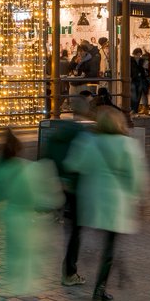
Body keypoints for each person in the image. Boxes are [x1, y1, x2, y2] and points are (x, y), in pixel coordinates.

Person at [63, 107, 147, 301]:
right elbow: (137, 177)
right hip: (117, 203)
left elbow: (74, 164)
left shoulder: (88, 142)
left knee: (91, 234)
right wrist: (140, 199)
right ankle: (100, 289)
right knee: (110, 244)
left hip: (91, 201)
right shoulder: (128, 145)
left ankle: (85, 259)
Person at [0, 129, 64, 301]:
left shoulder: (1, 170)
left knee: (8, 275)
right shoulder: (31, 169)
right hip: (29, 227)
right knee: (26, 280)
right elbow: (51, 199)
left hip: (8, 223)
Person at [41, 93, 92, 288]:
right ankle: (69, 271)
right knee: (75, 230)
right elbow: (84, 161)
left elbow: (46, 154)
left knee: (67, 226)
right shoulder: (82, 133)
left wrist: (57, 177)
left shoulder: (58, 131)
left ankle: (65, 266)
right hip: (76, 186)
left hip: (59, 184)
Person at [129, 48, 148, 115]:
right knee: (133, 95)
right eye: (137, 55)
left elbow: (144, 69)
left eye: (139, 55)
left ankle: (135, 109)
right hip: (133, 79)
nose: (138, 56)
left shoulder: (141, 61)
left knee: (138, 96)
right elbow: (131, 70)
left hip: (140, 80)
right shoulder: (131, 60)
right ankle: (132, 109)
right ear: (134, 54)